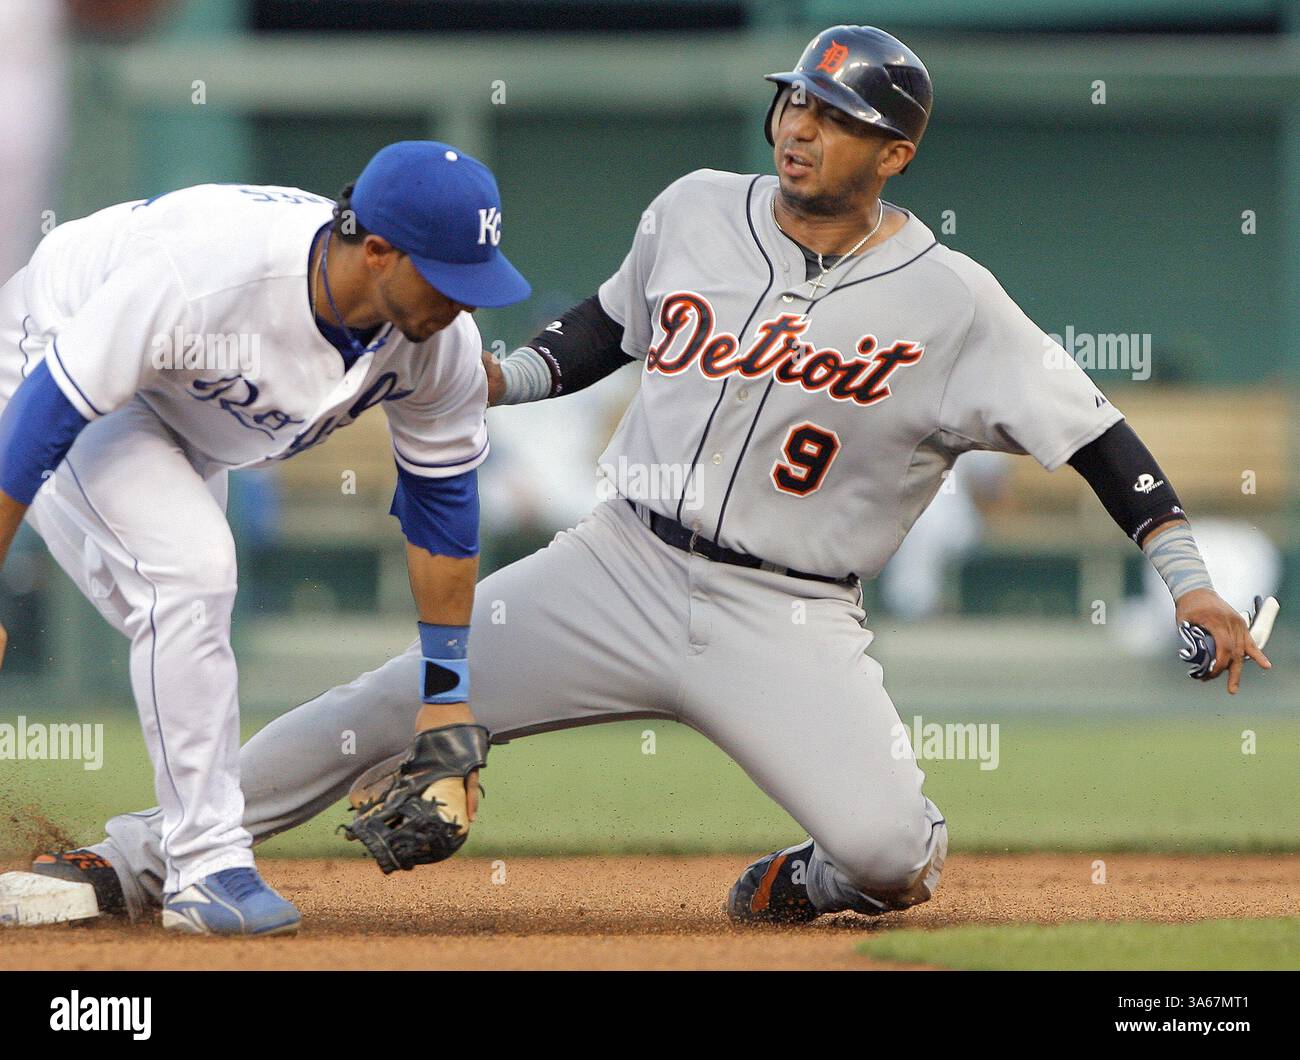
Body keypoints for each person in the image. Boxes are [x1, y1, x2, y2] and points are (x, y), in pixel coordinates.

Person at [18, 26, 1268, 927]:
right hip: (615, 564)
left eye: (835, 117)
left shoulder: (956, 303)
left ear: (895, 154)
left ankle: (816, 880)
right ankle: (142, 858)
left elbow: (1100, 437)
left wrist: (1189, 580)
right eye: (794, 101)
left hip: (783, 612)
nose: (798, 125)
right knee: (383, 707)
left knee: (889, 855)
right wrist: (478, 381)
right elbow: (595, 335)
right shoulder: (693, 208)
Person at [0, 142, 530, 933]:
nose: (465, 304)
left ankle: (177, 854)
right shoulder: (212, 272)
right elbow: (48, 409)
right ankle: (207, 865)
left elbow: (443, 503)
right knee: (190, 573)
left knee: (186, 602)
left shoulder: (436, 344)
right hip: (52, 348)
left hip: (188, 413)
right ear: (378, 251)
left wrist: (445, 700)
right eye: (449, 278)